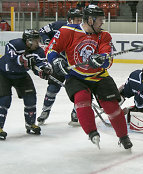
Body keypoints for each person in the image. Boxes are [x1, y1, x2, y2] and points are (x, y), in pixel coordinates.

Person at [45, 4, 132, 149]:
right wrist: (55, 60)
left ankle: (123, 136)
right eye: (100, 19)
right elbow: (51, 49)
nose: (102, 22)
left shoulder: (104, 35)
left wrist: (101, 59)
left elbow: (108, 59)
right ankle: (92, 133)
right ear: (90, 20)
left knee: (112, 107)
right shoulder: (67, 31)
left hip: (99, 76)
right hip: (76, 76)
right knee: (81, 99)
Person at [0, 29, 53, 140]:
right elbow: (11, 60)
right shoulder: (14, 44)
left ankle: (30, 124)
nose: (38, 43)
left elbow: (41, 63)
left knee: (30, 98)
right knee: (4, 100)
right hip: (3, 74)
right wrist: (25, 60)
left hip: (21, 75)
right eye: (35, 40)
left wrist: (44, 71)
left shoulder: (38, 51)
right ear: (28, 41)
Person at [37, 8, 83, 126]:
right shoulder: (59, 26)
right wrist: (47, 41)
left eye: (80, 20)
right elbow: (42, 31)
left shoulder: (84, 30)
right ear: (69, 19)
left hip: (75, 65)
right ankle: (45, 111)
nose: (79, 22)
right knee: (53, 88)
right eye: (77, 20)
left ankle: (75, 113)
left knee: (79, 90)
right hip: (59, 62)